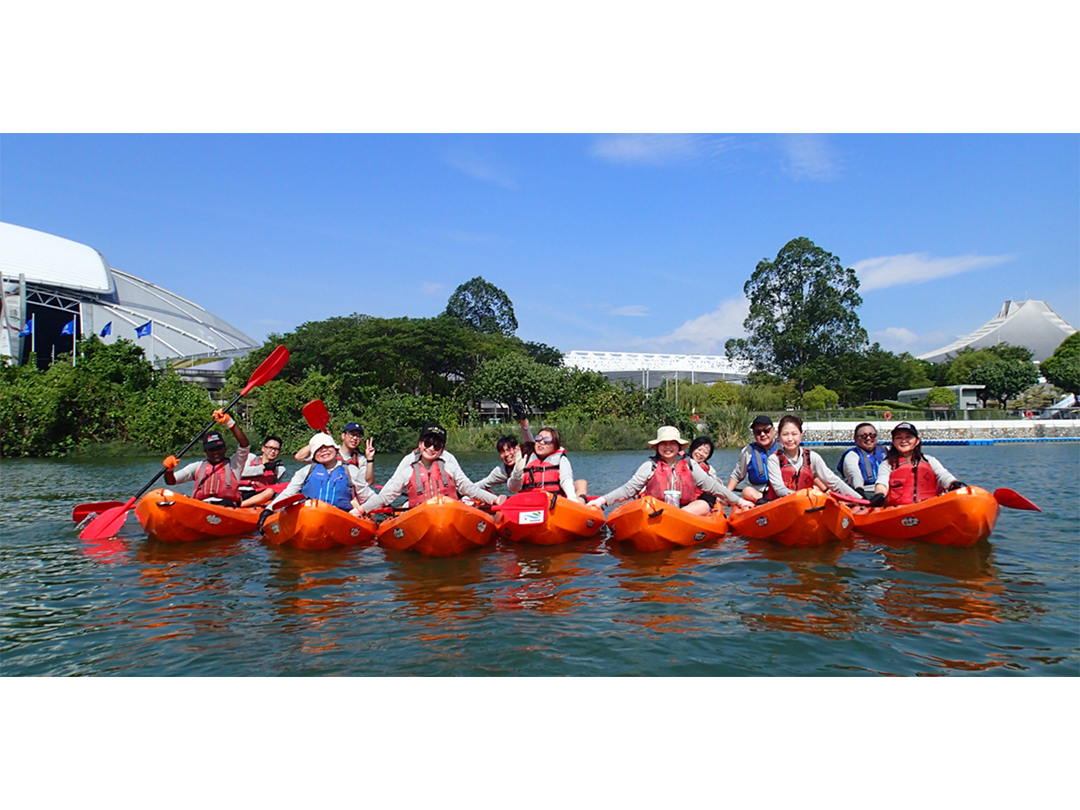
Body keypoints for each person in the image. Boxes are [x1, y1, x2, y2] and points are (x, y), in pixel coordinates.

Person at [591, 426, 751, 514]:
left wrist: (739, 501)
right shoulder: (649, 466)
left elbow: (714, 487)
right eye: (664, 443)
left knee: (703, 505)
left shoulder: (690, 464)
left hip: (687, 511)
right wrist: (601, 501)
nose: (668, 447)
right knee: (644, 504)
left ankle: (676, 518)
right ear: (657, 446)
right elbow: (628, 489)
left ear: (679, 446)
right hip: (655, 510)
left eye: (672, 443)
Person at [355, 423, 503, 514]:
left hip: (450, 513)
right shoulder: (408, 471)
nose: (431, 448)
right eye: (427, 443)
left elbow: (470, 490)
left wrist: (496, 499)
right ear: (420, 444)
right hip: (420, 515)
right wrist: (360, 510)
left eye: (437, 446)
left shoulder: (450, 467)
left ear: (442, 449)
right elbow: (384, 497)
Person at [270, 433, 377, 513]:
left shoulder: (351, 470)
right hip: (309, 515)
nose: (324, 451)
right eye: (319, 449)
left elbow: (367, 496)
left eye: (327, 447)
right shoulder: (306, 471)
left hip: (341, 517)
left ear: (335, 449)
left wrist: (385, 505)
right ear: (314, 455)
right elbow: (288, 493)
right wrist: (269, 509)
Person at [163, 409, 250, 507]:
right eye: (211, 449)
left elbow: (244, 445)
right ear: (205, 452)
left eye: (219, 448)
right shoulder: (196, 467)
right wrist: (169, 469)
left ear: (225, 448)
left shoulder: (234, 465)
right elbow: (171, 481)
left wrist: (229, 423)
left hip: (227, 508)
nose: (216, 452)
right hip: (202, 508)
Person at [765, 415, 861, 501]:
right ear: (779, 436)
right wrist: (804, 497)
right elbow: (779, 489)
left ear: (801, 434)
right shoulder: (774, 459)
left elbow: (833, 481)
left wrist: (859, 498)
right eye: (785, 434)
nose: (790, 439)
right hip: (781, 505)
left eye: (794, 434)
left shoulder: (812, 457)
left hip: (806, 504)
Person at [868, 422, 965, 507]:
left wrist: (953, 484)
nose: (904, 441)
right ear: (893, 442)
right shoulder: (887, 464)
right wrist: (880, 494)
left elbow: (943, 476)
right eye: (899, 438)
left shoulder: (930, 461)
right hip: (898, 511)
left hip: (928, 508)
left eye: (908, 437)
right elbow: (882, 482)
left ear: (917, 441)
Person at [508, 425, 589, 504]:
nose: (541, 442)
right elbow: (513, 488)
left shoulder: (561, 459)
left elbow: (566, 480)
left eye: (547, 440)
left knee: (581, 483)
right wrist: (517, 473)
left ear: (555, 446)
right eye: (538, 438)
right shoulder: (525, 458)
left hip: (553, 503)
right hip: (528, 503)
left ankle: (584, 501)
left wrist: (572, 499)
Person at [295, 422, 375, 486]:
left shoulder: (360, 459)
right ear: (343, 436)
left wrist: (370, 459)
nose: (355, 438)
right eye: (352, 434)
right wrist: (319, 441)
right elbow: (299, 457)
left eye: (358, 436)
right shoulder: (329, 453)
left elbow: (368, 482)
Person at [475, 408, 534, 492]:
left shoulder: (529, 455)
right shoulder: (501, 471)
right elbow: (482, 484)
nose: (506, 454)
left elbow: (529, 440)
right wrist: (461, 490)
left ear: (516, 448)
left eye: (509, 450)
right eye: (502, 452)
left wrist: (522, 419)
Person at [727, 415, 779, 502]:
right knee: (747, 491)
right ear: (754, 434)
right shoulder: (748, 451)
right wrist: (726, 495)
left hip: (782, 491)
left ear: (773, 431)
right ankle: (765, 503)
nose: (762, 434)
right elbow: (737, 475)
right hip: (760, 493)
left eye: (766, 431)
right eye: (758, 432)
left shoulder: (783, 447)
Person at [836, 422, 887, 498]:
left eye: (872, 435)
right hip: (865, 491)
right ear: (856, 439)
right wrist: (859, 489)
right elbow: (854, 473)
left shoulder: (886, 450)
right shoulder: (852, 455)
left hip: (886, 489)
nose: (868, 438)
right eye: (864, 436)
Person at [239, 435, 288, 507]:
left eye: (276, 449)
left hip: (258, 495)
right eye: (270, 448)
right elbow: (240, 472)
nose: (273, 451)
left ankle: (242, 505)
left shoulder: (280, 469)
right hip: (240, 491)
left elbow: (275, 486)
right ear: (263, 449)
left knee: (270, 491)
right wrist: (263, 467)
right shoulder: (250, 457)